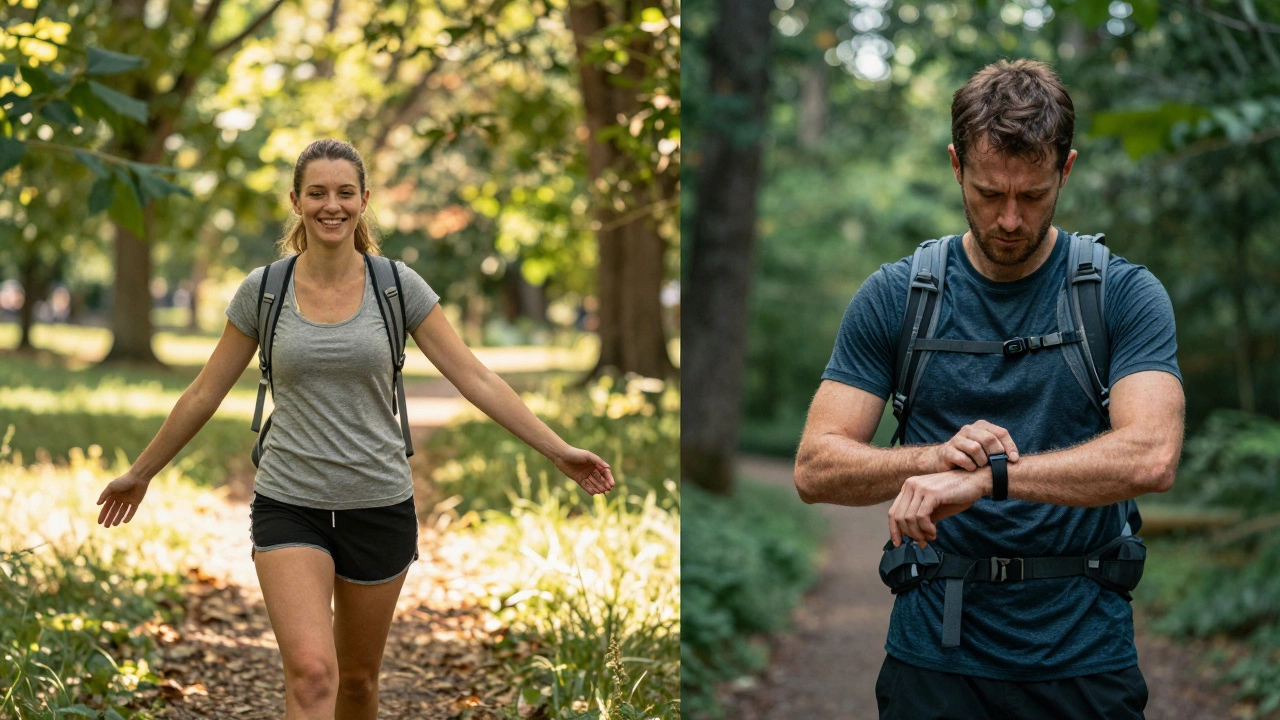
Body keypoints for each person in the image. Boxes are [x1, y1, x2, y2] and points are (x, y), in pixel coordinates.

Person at [94, 138, 616, 720]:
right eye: (316, 193)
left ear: (364, 200)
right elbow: (202, 393)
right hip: (290, 500)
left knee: (360, 684)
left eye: (344, 193)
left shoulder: (397, 287)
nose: (331, 205)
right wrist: (140, 473)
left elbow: (476, 377)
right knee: (314, 675)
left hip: (379, 503)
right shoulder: (263, 291)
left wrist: (557, 450)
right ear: (296, 201)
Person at [793, 60, 1184, 719]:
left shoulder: (1123, 294)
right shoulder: (897, 297)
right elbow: (815, 467)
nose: (1008, 218)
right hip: (934, 659)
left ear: (1065, 170)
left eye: (1031, 196)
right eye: (987, 193)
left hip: (1084, 656)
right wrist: (934, 458)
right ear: (955, 166)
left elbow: (1151, 456)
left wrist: (989, 479)